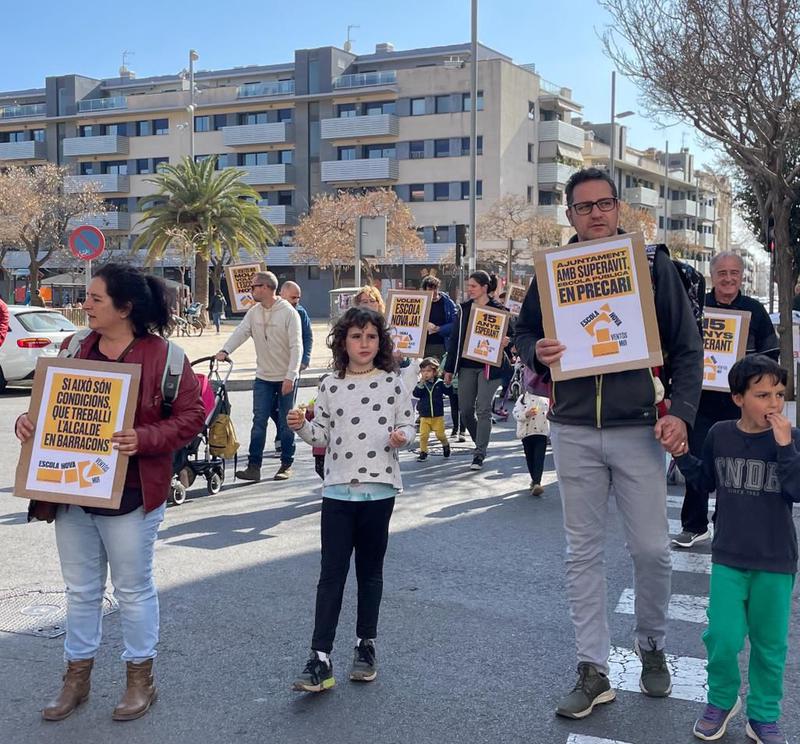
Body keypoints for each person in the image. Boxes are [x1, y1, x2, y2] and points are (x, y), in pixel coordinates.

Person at [514, 167, 703, 719]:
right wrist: (535, 351)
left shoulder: (651, 264)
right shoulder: (554, 270)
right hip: (573, 428)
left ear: (619, 208)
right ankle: (592, 668)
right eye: (584, 206)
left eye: (605, 203)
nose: (596, 213)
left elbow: (688, 347)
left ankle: (652, 643)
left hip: (638, 428)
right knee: (583, 553)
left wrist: (682, 414)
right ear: (569, 214)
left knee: (652, 550)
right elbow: (523, 331)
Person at [15, 263, 205, 722]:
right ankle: (76, 679)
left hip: (133, 495)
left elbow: (192, 416)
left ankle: (141, 680)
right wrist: (28, 422)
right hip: (71, 491)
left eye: (95, 298)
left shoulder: (166, 357)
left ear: (125, 308)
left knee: (133, 590)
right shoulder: (75, 346)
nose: (85, 305)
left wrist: (145, 438)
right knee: (81, 590)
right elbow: (49, 406)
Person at [287, 306, 414, 692]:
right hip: (338, 490)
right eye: (356, 336)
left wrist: (402, 437)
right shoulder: (329, 384)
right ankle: (320, 658)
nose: (364, 343)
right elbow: (322, 436)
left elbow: (407, 423)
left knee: (370, 572)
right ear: (343, 341)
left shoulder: (392, 382)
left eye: (371, 336)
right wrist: (302, 427)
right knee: (331, 574)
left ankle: (365, 646)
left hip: (380, 489)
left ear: (381, 342)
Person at [673, 355, 798, 744]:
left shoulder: (790, 438)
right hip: (728, 555)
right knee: (722, 637)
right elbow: (705, 481)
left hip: (775, 560)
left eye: (779, 394)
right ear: (738, 398)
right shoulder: (721, 434)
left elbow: (796, 490)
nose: (774, 404)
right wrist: (680, 455)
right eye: (762, 395)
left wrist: (785, 447)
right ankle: (722, 701)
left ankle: (762, 715)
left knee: (769, 645)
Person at [674, 251, 780, 549]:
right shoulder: (698, 307)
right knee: (696, 461)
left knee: (733, 466)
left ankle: (725, 524)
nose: (728, 278)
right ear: (713, 276)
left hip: (740, 405)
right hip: (700, 402)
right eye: (722, 273)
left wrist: (752, 373)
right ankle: (694, 526)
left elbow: (771, 355)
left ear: (741, 275)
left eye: (734, 272)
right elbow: (680, 346)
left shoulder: (755, 311)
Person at [216, 271, 302, 482]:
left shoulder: (289, 313)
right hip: (263, 377)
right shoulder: (254, 312)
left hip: (285, 377)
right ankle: (253, 467)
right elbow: (241, 332)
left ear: (265, 288)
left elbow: (296, 346)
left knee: (286, 422)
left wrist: (291, 376)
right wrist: (225, 350)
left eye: (254, 286)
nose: (251, 290)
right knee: (259, 421)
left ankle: (286, 464)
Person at [443, 271, 510, 471]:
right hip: (466, 366)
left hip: (489, 367)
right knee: (465, 410)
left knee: (483, 408)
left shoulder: (500, 310)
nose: (469, 289)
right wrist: (449, 369)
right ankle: (479, 441)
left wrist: (508, 341)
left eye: (473, 286)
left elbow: (514, 335)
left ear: (484, 287)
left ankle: (479, 453)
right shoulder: (464, 309)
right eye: (469, 286)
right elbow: (455, 340)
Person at [271, 280, 314, 454]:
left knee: (286, 406)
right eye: (293, 297)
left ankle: (283, 440)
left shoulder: (300, 313)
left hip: (292, 367)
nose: (296, 301)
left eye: (298, 298)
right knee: (269, 407)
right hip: (271, 367)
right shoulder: (270, 311)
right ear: (281, 295)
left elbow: (307, 337)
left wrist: (304, 359)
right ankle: (281, 431)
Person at [512, 368, 550, 497]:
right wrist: (526, 414)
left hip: (541, 432)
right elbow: (515, 413)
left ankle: (537, 482)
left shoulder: (546, 397)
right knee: (530, 458)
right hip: (527, 433)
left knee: (539, 458)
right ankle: (534, 480)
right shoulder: (522, 399)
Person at [412, 357, 450, 461]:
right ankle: (423, 452)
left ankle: (445, 444)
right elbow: (416, 394)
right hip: (424, 415)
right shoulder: (421, 384)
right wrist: (420, 384)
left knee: (440, 435)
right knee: (423, 436)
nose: (425, 373)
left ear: (434, 372)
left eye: (428, 371)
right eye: (423, 371)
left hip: (437, 415)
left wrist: (448, 384)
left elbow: (448, 392)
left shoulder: (439, 383)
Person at [420, 275, 458, 360]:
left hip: (443, 345)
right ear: (425, 290)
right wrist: (424, 324)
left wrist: (439, 329)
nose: (433, 292)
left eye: (435, 288)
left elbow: (456, 323)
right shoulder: (421, 303)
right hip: (424, 346)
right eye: (430, 289)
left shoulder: (448, 303)